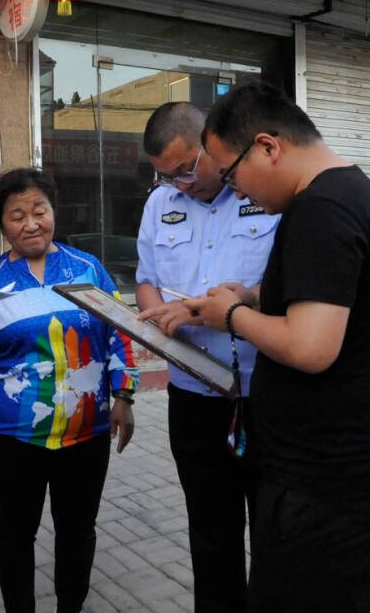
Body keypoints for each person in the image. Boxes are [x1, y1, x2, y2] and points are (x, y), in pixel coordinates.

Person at [184, 80, 370, 613]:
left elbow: (311, 347)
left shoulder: (322, 209)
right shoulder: (347, 193)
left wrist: (232, 315)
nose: (238, 192)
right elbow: (332, 294)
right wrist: (254, 296)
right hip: (342, 472)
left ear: (267, 146)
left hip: (326, 485)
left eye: (231, 174)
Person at [0, 167, 139, 613]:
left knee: (78, 530)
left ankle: (70, 606)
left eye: (40, 211)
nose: (31, 223)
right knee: (14, 533)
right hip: (13, 435)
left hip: (87, 431)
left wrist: (124, 397)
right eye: (17, 215)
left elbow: (120, 333)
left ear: (54, 212)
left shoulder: (87, 269)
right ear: (1, 225)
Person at [134, 102, 278, 613]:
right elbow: (147, 279)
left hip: (265, 396)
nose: (179, 183)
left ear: (213, 145)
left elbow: (292, 285)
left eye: (186, 169)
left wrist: (232, 307)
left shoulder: (266, 196)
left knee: (275, 535)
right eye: (166, 175)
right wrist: (157, 321)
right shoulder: (160, 204)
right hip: (193, 396)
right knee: (211, 535)